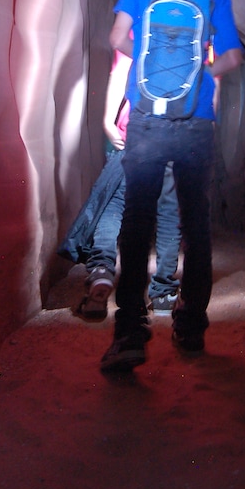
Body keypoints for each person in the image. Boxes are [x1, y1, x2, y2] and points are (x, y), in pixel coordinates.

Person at [100, 0, 243, 372]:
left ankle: (130, 332)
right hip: (196, 119)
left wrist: (149, 56)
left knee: (137, 219)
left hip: (147, 115)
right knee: (195, 221)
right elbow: (232, 57)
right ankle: (191, 327)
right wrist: (200, 71)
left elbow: (117, 37)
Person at [75, 50, 181, 320]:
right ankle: (163, 294)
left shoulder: (137, 23)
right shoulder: (196, 21)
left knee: (115, 205)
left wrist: (108, 121)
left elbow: (121, 70)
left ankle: (101, 271)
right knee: (168, 212)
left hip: (132, 132)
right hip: (176, 134)